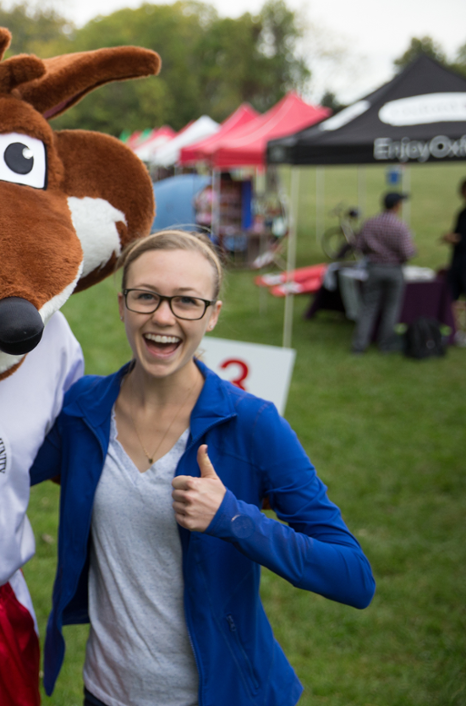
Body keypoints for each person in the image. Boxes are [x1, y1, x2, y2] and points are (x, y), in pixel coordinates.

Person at [31, 229, 374, 706]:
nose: (163, 317)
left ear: (212, 315)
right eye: (146, 296)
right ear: (122, 304)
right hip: (105, 692)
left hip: (218, 694)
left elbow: (354, 578)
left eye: (187, 302)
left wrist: (235, 518)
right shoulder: (83, 408)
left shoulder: (254, 424)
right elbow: (3, 466)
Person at [351, 191, 417, 354]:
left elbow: (358, 246)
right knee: (391, 308)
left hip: (374, 268)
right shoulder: (400, 226)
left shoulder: (370, 223)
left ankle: (359, 345)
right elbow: (408, 252)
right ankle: (386, 344)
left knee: (367, 307)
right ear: (397, 206)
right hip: (394, 270)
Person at [441, 177, 466, 347]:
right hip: (458, 263)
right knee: (450, 296)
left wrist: (457, 239)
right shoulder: (462, 213)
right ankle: (456, 332)